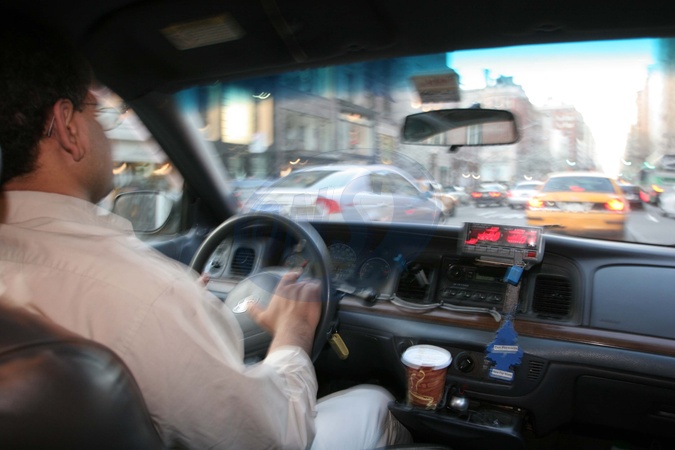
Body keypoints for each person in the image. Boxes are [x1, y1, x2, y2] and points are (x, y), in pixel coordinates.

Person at [0, 13, 411, 450]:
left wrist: (181, 309)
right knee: (376, 402)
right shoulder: (145, 297)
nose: (104, 128)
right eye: (96, 111)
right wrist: (293, 330)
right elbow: (277, 437)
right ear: (67, 127)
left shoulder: (132, 292)